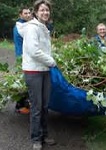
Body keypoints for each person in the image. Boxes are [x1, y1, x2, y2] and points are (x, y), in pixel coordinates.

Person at [17, 0, 57, 149]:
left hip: (44, 70)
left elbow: (44, 50)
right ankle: (36, 139)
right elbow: (34, 51)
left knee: (45, 106)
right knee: (36, 107)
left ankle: (44, 135)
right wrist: (52, 61)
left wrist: (50, 60)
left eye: (47, 10)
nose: (45, 12)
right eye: (42, 10)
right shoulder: (32, 28)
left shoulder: (44, 28)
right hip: (33, 71)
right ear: (36, 12)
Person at [13, 6, 32, 114]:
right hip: (23, 57)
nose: (28, 15)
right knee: (25, 81)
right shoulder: (20, 26)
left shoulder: (22, 25)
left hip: (22, 56)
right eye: (25, 13)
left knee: (25, 81)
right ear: (20, 15)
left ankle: (23, 105)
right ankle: (19, 106)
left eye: (29, 13)